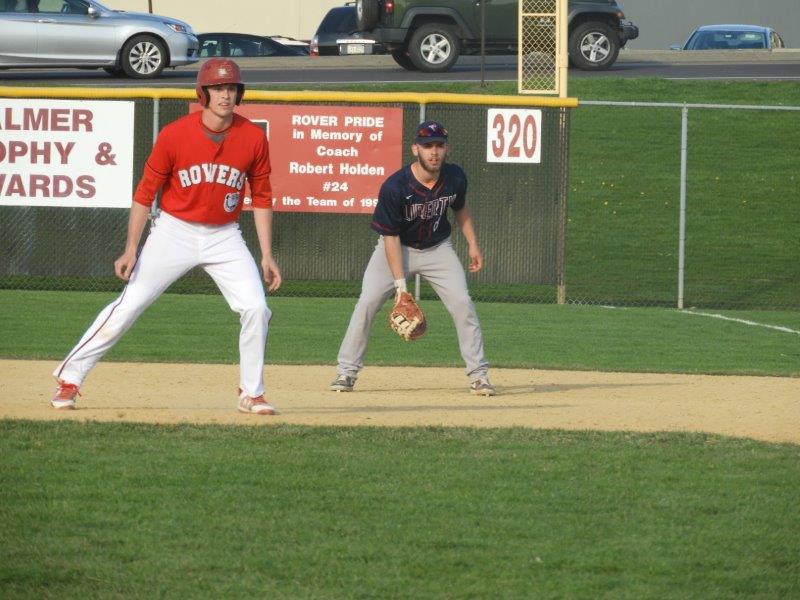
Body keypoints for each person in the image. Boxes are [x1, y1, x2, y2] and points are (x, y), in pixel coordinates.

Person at [51, 58, 282, 415]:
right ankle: (70, 378)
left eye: (231, 87)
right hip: (174, 231)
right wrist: (131, 249)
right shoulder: (175, 134)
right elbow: (145, 194)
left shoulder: (252, 137)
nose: (225, 94)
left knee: (256, 308)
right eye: (218, 88)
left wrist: (266, 254)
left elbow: (262, 197)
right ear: (202, 93)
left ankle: (252, 392)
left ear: (239, 93)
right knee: (129, 305)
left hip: (225, 235)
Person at [330, 120, 495, 396]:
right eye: (427, 145)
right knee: (367, 302)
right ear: (414, 149)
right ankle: (346, 372)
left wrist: (473, 244)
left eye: (439, 145)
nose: (434, 152)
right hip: (396, 249)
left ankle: (479, 376)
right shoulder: (395, 187)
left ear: (447, 149)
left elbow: (460, 207)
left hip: (437, 249)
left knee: (463, 303)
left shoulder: (454, 177)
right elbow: (390, 238)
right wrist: (400, 288)